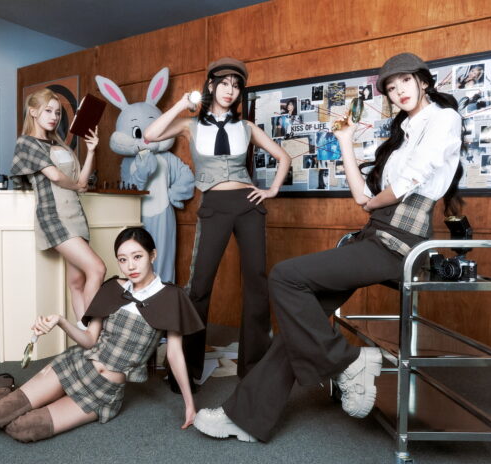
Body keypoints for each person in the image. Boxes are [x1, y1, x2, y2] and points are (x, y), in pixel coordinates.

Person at [192, 52, 464, 442]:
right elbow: (363, 197)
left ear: (423, 80)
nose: (398, 91)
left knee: (284, 277)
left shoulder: (444, 118)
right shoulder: (403, 133)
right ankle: (246, 417)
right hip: (375, 233)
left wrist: (374, 202)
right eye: (390, 87)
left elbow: (405, 185)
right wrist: (346, 142)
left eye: (404, 81)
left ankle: (349, 363)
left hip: (400, 242)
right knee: (302, 327)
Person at [0, 227, 204, 442]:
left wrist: (189, 404)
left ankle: (0, 391)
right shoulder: (112, 288)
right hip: (78, 365)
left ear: (153, 255)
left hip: (103, 392)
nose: (130, 266)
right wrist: (61, 321)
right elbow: (90, 340)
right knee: (1, 413)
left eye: (137, 257)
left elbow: (175, 355)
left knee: (22, 428)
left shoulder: (171, 297)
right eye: (123, 259)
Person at [145, 57, 292, 386]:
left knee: (256, 283)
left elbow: (283, 157)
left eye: (236, 86)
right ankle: (187, 371)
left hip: (248, 204)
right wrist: (181, 104)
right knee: (199, 286)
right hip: (214, 204)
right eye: (224, 83)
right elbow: (150, 136)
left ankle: (254, 368)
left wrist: (271, 190)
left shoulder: (247, 127)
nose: (230, 90)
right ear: (210, 85)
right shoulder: (191, 125)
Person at [10, 89, 106, 326]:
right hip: (54, 217)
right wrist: (77, 185)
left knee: (77, 282)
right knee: (97, 268)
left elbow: (81, 181)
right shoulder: (26, 143)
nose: (54, 117)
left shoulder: (59, 144)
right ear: (33, 112)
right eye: (48, 111)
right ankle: (93, 335)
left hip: (76, 216)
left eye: (58, 113)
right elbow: (54, 176)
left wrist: (91, 151)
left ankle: (85, 335)